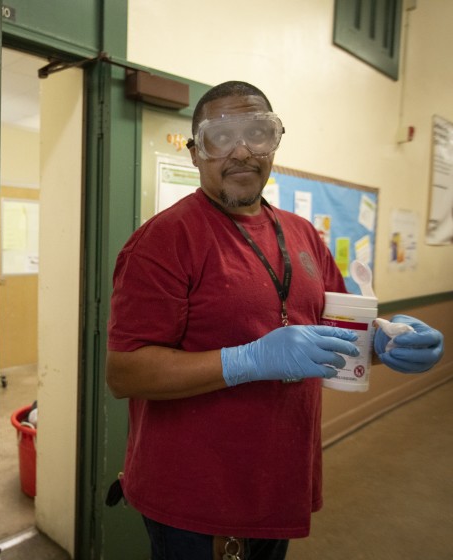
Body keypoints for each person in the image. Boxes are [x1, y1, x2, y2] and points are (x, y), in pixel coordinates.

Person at [105, 81, 445, 560]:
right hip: (196, 498)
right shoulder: (164, 241)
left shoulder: (303, 234)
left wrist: (385, 343)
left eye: (258, 133)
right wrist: (248, 359)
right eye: (221, 137)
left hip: (278, 485)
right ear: (196, 152)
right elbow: (125, 373)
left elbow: (342, 332)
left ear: (274, 144)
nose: (243, 151)